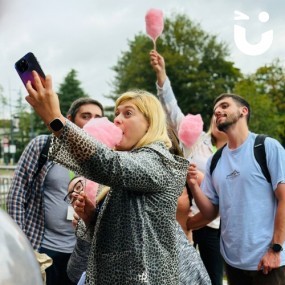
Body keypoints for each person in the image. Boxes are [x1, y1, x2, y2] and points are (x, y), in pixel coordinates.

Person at [25, 70, 190, 284]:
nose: (117, 120)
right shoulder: (133, 164)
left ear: (151, 123)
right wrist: (92, 217)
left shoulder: (160, 161)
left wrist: (54, 119)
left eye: (128, 113)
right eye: (117, 114)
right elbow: (122, 235)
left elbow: (108, 164)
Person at [187, 93, 285, 285]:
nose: (218, 112)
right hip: (233, 263)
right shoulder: (215, 161)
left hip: (268, 262)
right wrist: (193, 186)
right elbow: (210, 211)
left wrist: (275, 249)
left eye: (224, 106)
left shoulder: (266, 147)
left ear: (243, 111)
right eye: (215, 111)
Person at [7, 97, 104, 285]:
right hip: (42, 248)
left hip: (80, 254)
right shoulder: (42, 146)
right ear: (68, 119)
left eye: (98, 117)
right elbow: (17, 196)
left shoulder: (103, 160)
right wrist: (22, 246)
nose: (92, 121)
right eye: (86, 116)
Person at [150, 49, 227, 285]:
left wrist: (203, 177)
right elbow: (171, 109)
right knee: (181, 275)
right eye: (214, 114)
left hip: (216, 226)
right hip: (186, 221)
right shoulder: (194, 140)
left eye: (222, 113)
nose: (217, 117)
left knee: (213, 277)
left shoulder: (235, 153)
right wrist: (162, 75)